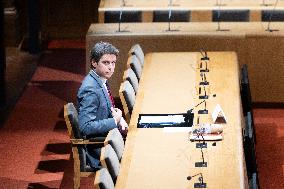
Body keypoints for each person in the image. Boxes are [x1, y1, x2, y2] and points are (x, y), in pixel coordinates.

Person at [77, 41, 128, 169]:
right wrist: (114, 121)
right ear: (94, 63)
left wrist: (119, 118)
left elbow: (108, 107)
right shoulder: (90, 90)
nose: (111, 67)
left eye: (113, 63)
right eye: (106, 63)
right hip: (102, 149)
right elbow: (85, 126)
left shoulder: (100, 80)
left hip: (111, 138)